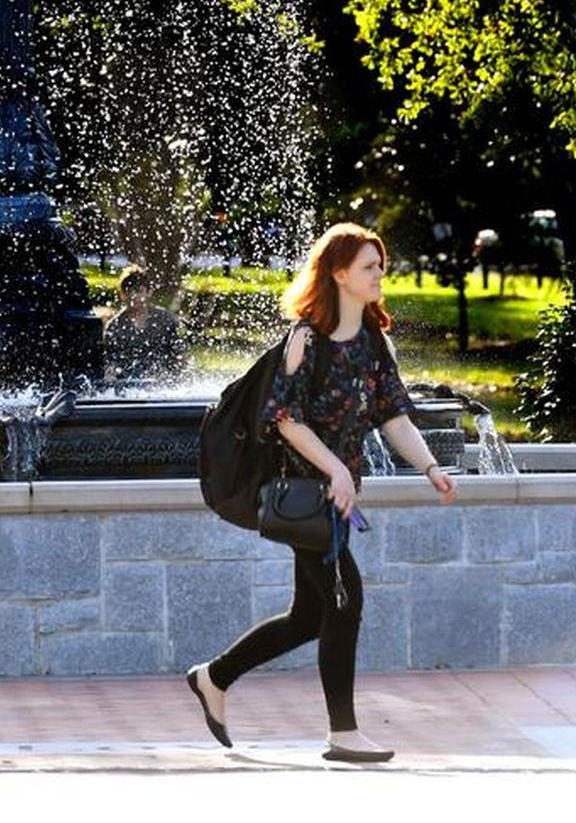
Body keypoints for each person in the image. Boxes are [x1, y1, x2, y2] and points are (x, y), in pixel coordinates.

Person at [186, 222, 456, 764]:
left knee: (310, 616)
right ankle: (344, 733)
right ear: (337, 273)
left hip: (333, 494)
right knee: (346, 600)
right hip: (306, 493)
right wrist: (335, 470)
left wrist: (429, 467)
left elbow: (393, 416)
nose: (381, 274)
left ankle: (213, 677)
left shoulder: (373, 342)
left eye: (380, 265)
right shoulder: (304, 340)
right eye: (369, 267)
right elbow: (284, 419)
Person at [103, 264, 184, 385]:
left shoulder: (164, 320)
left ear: (148, 293)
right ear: (122, 294)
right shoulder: (115, 325)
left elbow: (178, 357)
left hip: (161, 383)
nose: (133, 296)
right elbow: (110, 360)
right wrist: (111, 373)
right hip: (127, 384)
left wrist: (176, 380)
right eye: (128, 291)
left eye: (138, 291)